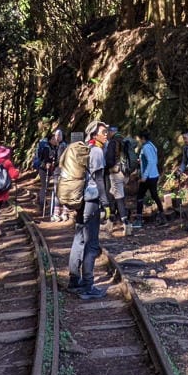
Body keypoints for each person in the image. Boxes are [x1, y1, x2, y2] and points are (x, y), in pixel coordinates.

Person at [66, 121, 110, 300]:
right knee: (92, 244)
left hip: (80, 199)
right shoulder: (97, 151)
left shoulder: (85, 149)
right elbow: (99, 180)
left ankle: (74, 279)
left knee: (79, 239)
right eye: (103, 132)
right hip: (91, 201)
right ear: (94, 134)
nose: (106, 135)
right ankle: (88, 285)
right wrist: (106, 203)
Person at [103, 125, 130, 237]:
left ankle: (127, 225)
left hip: (115, 173)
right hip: (125, 173)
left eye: (107, 132)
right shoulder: (124, 140)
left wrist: (105, 167)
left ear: (111, 132)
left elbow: (109, 160)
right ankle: (110, 222)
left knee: (118, 198)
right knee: (112, 195)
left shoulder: (113, 143)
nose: (106, 134)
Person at [133, 129, 164, 227]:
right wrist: (141, 161)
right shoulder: (152, 145)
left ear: (142, 138)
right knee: (154, 195)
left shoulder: (146, 147)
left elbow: (150, 161)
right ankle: (162, 215)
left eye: (140, 139)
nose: (139, 141)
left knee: (140, 197)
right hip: (154, 174)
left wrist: (144, 176)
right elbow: (153, 159)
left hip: (149, 176)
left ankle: (138, 220)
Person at [34, 128, 63, 217]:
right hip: (43, 169)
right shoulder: (47, 148)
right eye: (54, 139)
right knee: (44, 186)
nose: (55, 140)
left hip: (50, 169)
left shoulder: (54, 147)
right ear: (50, 140)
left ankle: (42, 202)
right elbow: (46, 159)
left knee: (46, 186)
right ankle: (42, 204)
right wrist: (48, 163)